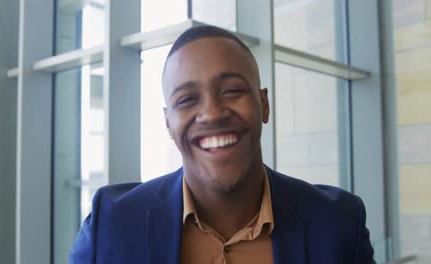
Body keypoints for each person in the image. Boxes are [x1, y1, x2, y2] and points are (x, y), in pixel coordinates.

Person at [69, 25, 376, 264]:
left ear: (264, 104)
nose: (213, 113)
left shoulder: (338, 223)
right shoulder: (111, 225)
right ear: (168, 124)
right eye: (187, 99)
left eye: (232, 91)